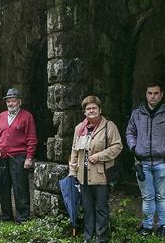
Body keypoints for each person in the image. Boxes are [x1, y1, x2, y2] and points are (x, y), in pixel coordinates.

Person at [126, 81, 165, 237]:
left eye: (156, 93)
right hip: (142, 163)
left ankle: (163, 226)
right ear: (146, 94)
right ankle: (147, 226)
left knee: (162, 195)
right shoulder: (137, 112)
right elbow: (130, 132)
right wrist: (134, 148)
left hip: (164, 162)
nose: (153, 96)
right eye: (150, 93)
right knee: (147, 196)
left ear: (161, 94)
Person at [69, 96, 123, 243]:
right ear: (84, 111)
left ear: (100, 110)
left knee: (101, 208)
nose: (91, 111)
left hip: (101, 175)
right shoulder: (79, 128)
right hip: (83, 176)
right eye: (88, 108)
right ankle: (88, 237)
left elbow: (117, 146)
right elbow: (74, 152)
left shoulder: (109, 126)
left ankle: (102, 238)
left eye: (94, 108)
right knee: (87, 208)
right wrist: (72, 172)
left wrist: (99, 156)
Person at [0, 88, 37, 223]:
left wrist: (29, 157)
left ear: (19, 102)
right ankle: (6, 216)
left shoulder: (27, 116)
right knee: (4, 187)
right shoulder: (1, 116)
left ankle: (22, 217)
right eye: (9, 101)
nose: (11, 103)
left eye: (14, 101)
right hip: (3, 157)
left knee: (20, 187)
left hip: (19, 157)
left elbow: (31, 138)